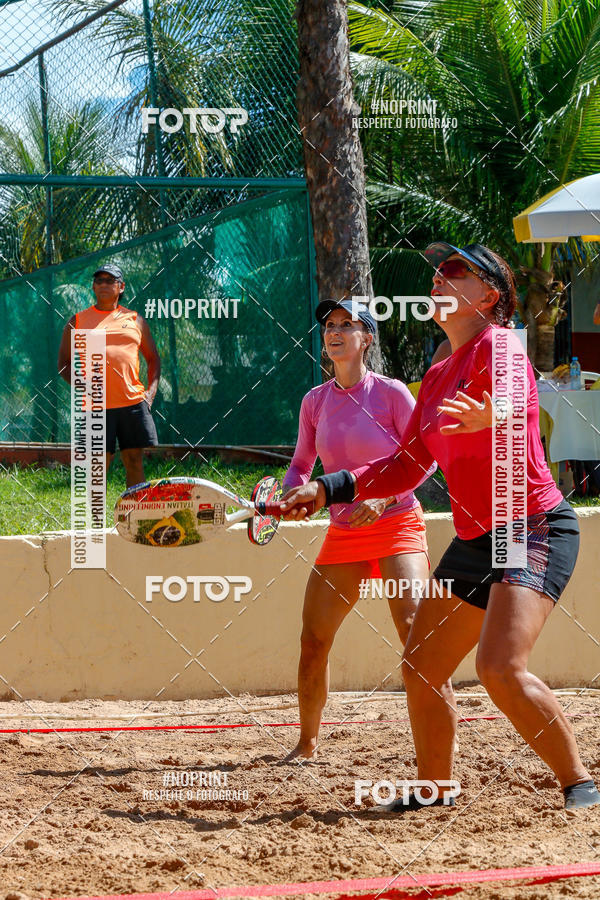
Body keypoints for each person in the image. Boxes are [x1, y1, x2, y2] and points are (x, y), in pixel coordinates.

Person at [281, 243, 600, 811]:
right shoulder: (435, 375)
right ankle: (434, 789)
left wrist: (494, 413)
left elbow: (513, 395)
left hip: (532, 527)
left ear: (489, 296)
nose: (438, 277)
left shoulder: (499, 344)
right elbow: (405, 464)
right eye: (437, 271)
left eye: (456, 271)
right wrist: (324, 487)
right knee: (421, 665)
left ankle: (580, 783)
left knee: (498, 667)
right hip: (478, 537)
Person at [283, 298, 437, 761]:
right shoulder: (315, 401)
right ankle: (307, 744)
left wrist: (384, 497)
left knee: (415, 635)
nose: (334, 331)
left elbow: (424, 460)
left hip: (397, 524)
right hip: (344, 533)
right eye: (329, 325)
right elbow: (300, 467)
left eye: (346, 325)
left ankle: (431, 752)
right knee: (313, 642)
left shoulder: (391, 393)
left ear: (366, 337)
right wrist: (288, 496)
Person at [58, 263, 161, 487]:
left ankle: (134, 519)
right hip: (95, 406)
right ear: (94, 287)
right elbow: (64, 364)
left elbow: (153, 359)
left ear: (121, 287)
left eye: (110, 280)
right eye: (99, 281)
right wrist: (84, 386)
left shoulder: (136, 320)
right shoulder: (77, 321)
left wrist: (150, 394)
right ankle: (94, 522)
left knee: (134, 461)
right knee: (97, 467)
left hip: (132, 403)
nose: (103, 284)